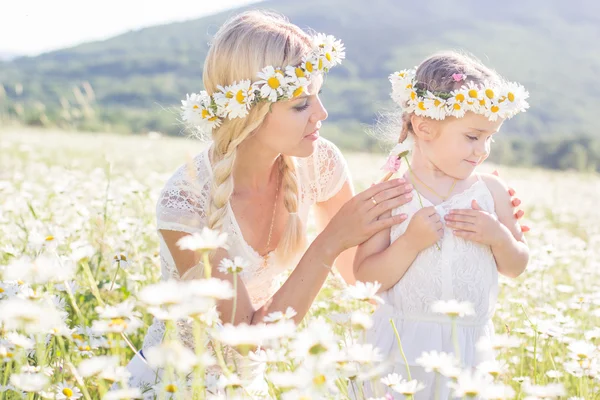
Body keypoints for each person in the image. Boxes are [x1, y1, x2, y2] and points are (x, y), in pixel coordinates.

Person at [354, 52, 530, 399]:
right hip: (402, 349)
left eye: (489, 138)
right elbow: (365, 278)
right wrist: (409, 243)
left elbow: (516, 266)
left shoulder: (490, 190)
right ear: (424, 126)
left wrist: (498, 237)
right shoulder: (392, 193)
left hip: (469, 348)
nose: (483, 150)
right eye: (472, 136)